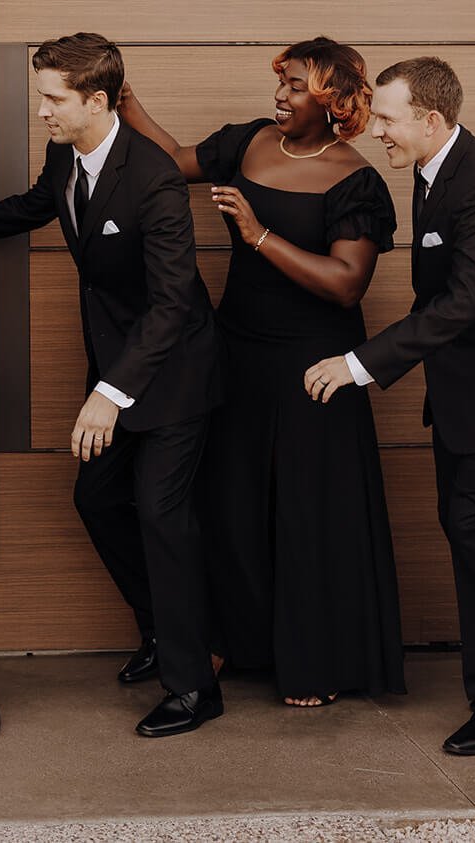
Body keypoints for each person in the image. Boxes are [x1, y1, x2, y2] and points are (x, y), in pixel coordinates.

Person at [305, 57, 475, 756]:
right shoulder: (433, 171)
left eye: (390, 120)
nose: (378, 133)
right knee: (473, 528)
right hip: (469, 390)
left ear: (431, 119)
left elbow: (462, 302)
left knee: (472, 527)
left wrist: (360, 363)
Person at [119, 37, 404, 708]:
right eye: (280, 83)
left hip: (315, 365)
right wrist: (123, 100)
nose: (280, 94)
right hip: (237, 352)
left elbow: (345, 284)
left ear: (331, 99)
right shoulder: (247, 141)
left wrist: (259, 236)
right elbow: (169, 161)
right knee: (232, 501)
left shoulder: (355, 179)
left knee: (309, 513)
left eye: (297, 85)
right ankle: (240, 642)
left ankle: (316, 661)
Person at [0, 33, 223, 737]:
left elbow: (174, 301)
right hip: (119, 370)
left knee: (160, 512)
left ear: (96, 100)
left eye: (52, 100)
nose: (42, 114)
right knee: (97, 497)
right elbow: (30, 207)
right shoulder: (67, 153)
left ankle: (194, 686)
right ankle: (163, 630)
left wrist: (109, 392)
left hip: (175, 373)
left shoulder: (152, 177)